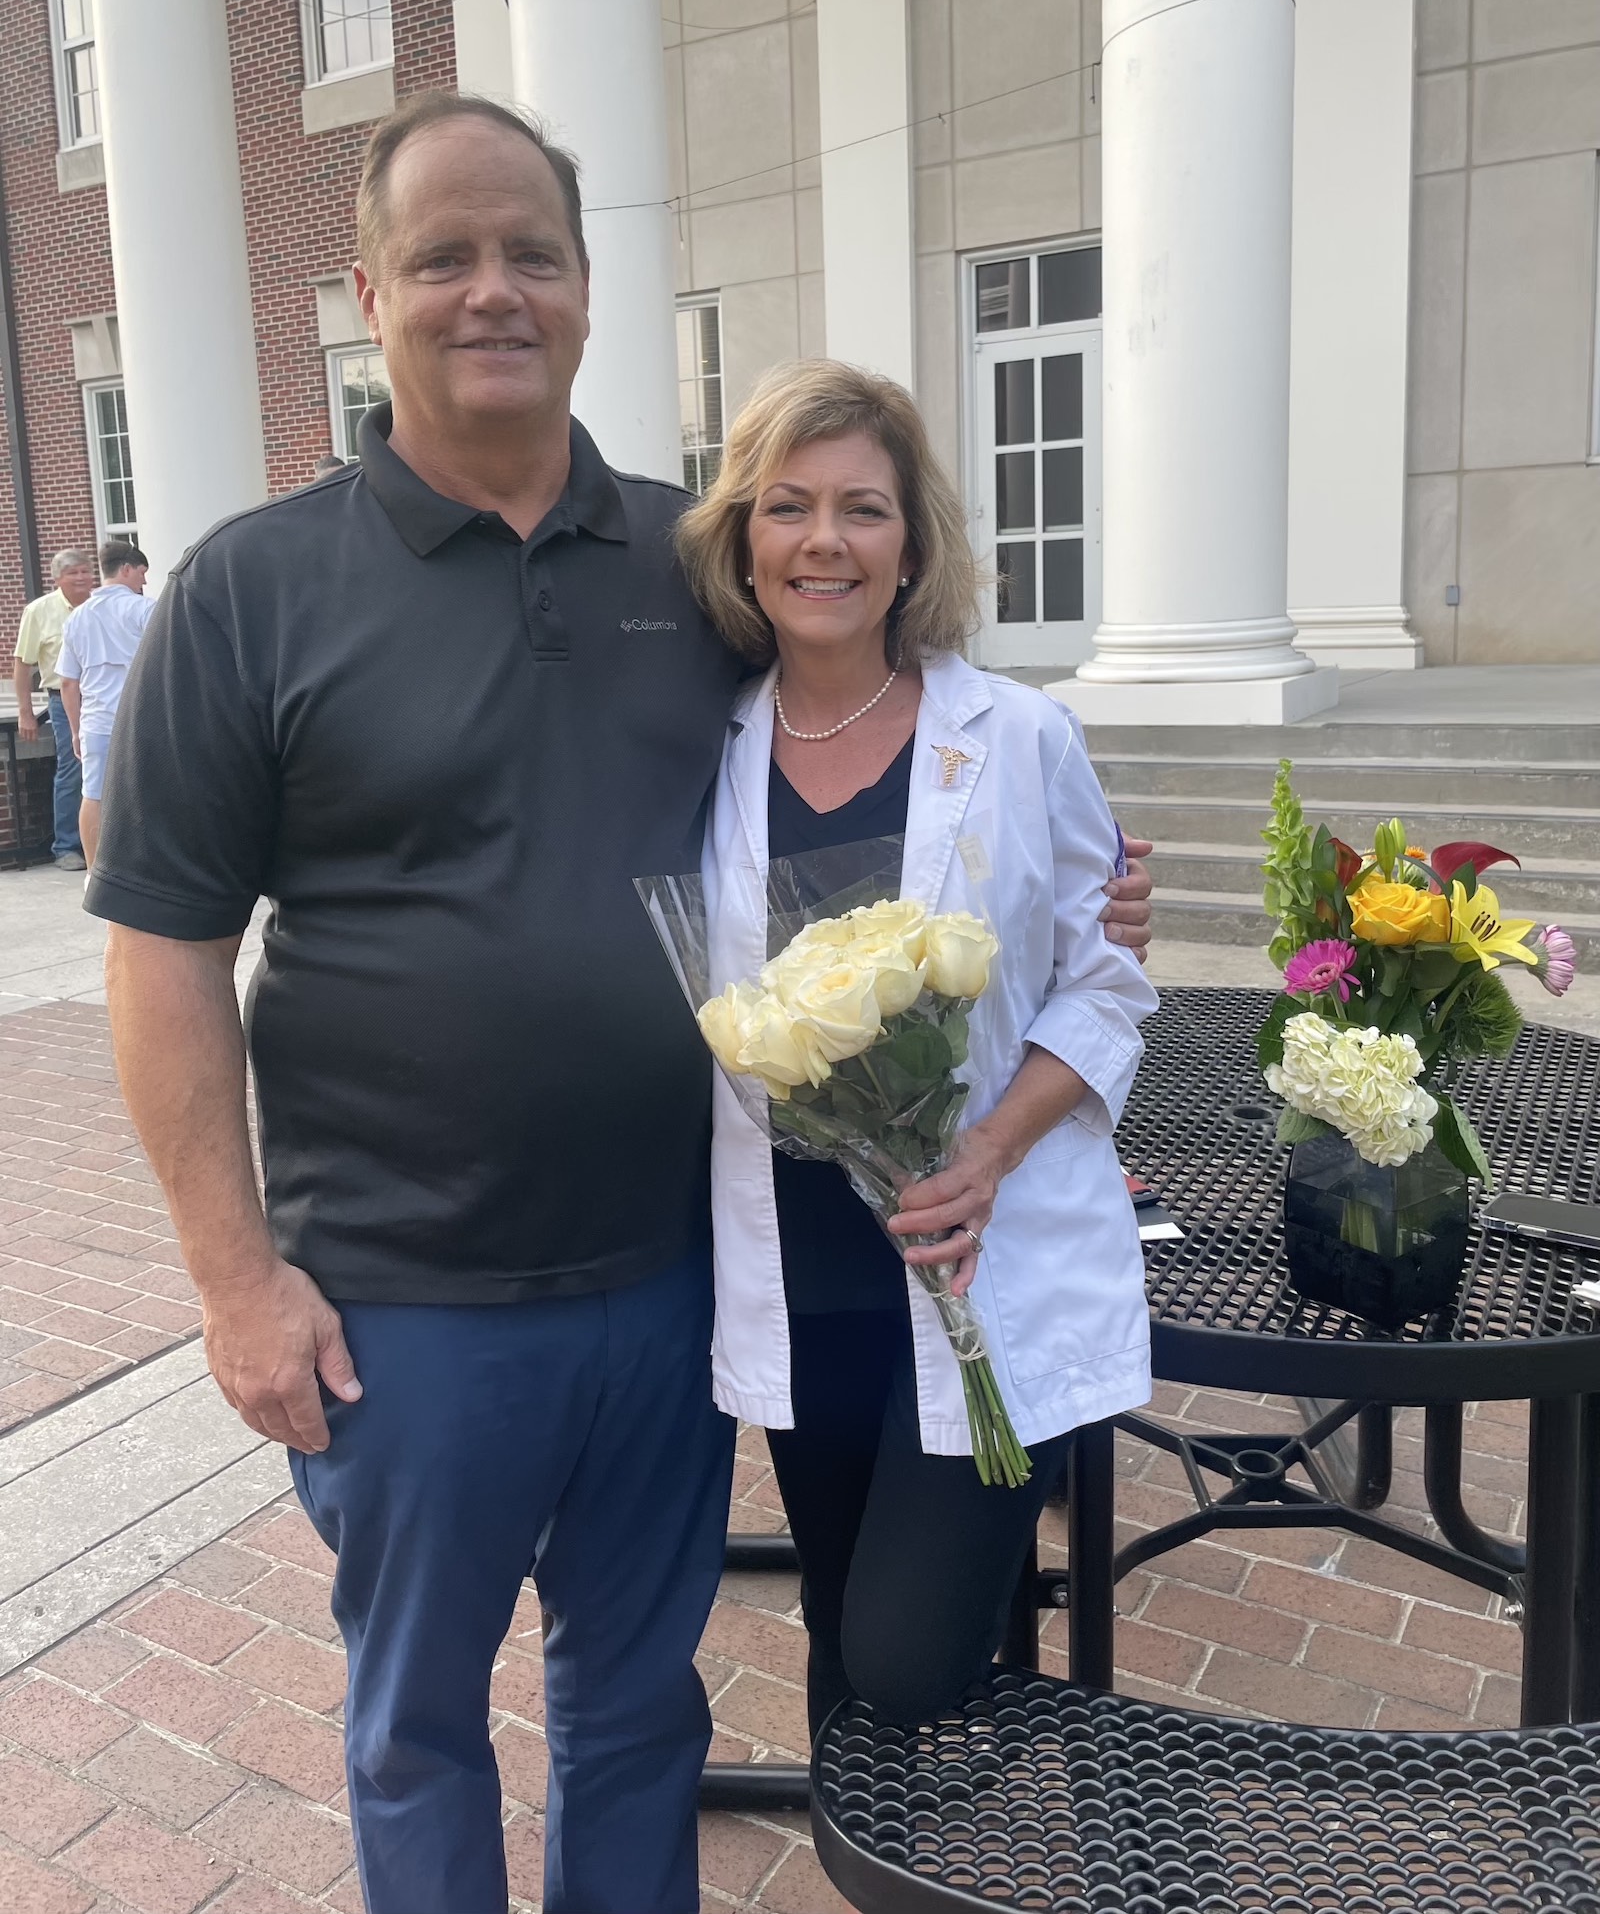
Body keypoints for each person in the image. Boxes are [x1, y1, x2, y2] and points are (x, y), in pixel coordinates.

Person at [85, 93, 1153, 1914]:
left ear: (587, 292)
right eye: (444, 256)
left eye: (532, 254)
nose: (491, 289)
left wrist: (1082, 873)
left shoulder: (694, 566)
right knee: (419, 1717)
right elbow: (163, 946)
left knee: (634, 1700)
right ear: (367, 291)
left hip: (672, 1281)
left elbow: (869, 717)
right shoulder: (249, 592)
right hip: (401, 1303)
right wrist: (230, 1278)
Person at [676, 359, 1158, 1737]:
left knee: (899, 1652)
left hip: (972, 1252)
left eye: (863, 509)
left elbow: (1108, 977)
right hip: (801, 1261)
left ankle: (941, 1728)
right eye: (788, 506)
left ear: (912, 545)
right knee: (844, 1613)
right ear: (745, 541)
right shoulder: (699, 746)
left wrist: (993, 1149)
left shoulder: (1017, 736)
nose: (824, 539)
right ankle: (892, 1839)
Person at [57, 540, 154, 869]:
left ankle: (95, 870)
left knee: (93, 794)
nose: (143, 581)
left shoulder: (77, 618)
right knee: (148, 793)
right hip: (140, 718)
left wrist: (74, 731)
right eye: (141, 573)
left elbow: (68, 682)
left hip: (96, 720)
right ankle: (146, 865)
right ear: (126, 569)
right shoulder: (144, 609)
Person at [11, 545, 96, 869]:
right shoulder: (39, 611)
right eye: (72, 573)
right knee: (73, 770)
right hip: (63, 701)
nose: (81, 578)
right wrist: (25, 711)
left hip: (104, 697)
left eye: (85, 571)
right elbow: (23, 664)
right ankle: (67, 846)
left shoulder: (100, 605)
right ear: (57, 578)